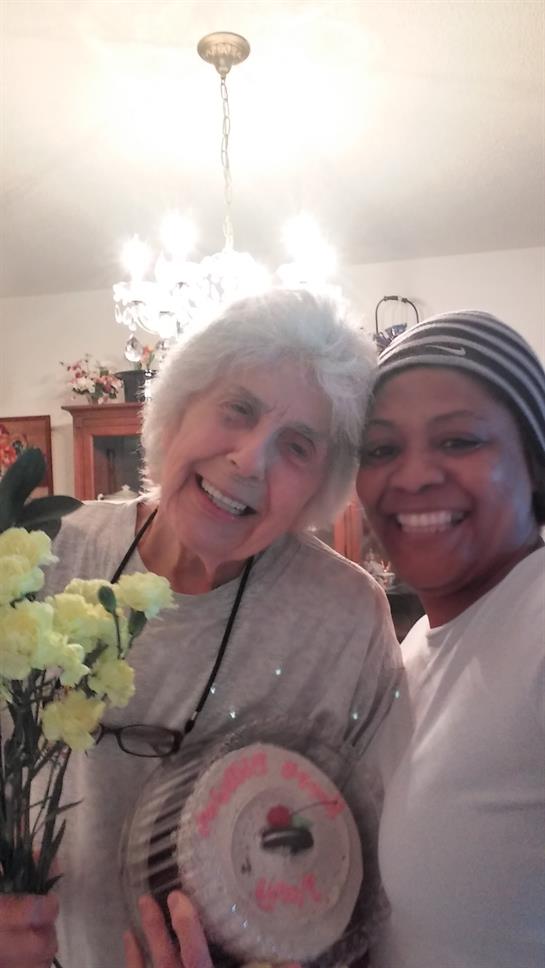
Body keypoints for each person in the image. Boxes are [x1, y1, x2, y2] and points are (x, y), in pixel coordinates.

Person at [0, 289, 401, 968]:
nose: (250, 459)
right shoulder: (47, 554)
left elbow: (368, 869)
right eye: (237, 409)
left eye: (297, 446)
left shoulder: (345, 618)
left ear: (322, 485)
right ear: (177, 409)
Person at [356, 310, 545, 968]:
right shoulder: (413, 649)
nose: (412, 477)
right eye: (381, 449)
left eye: (459, 440)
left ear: (534, 465)